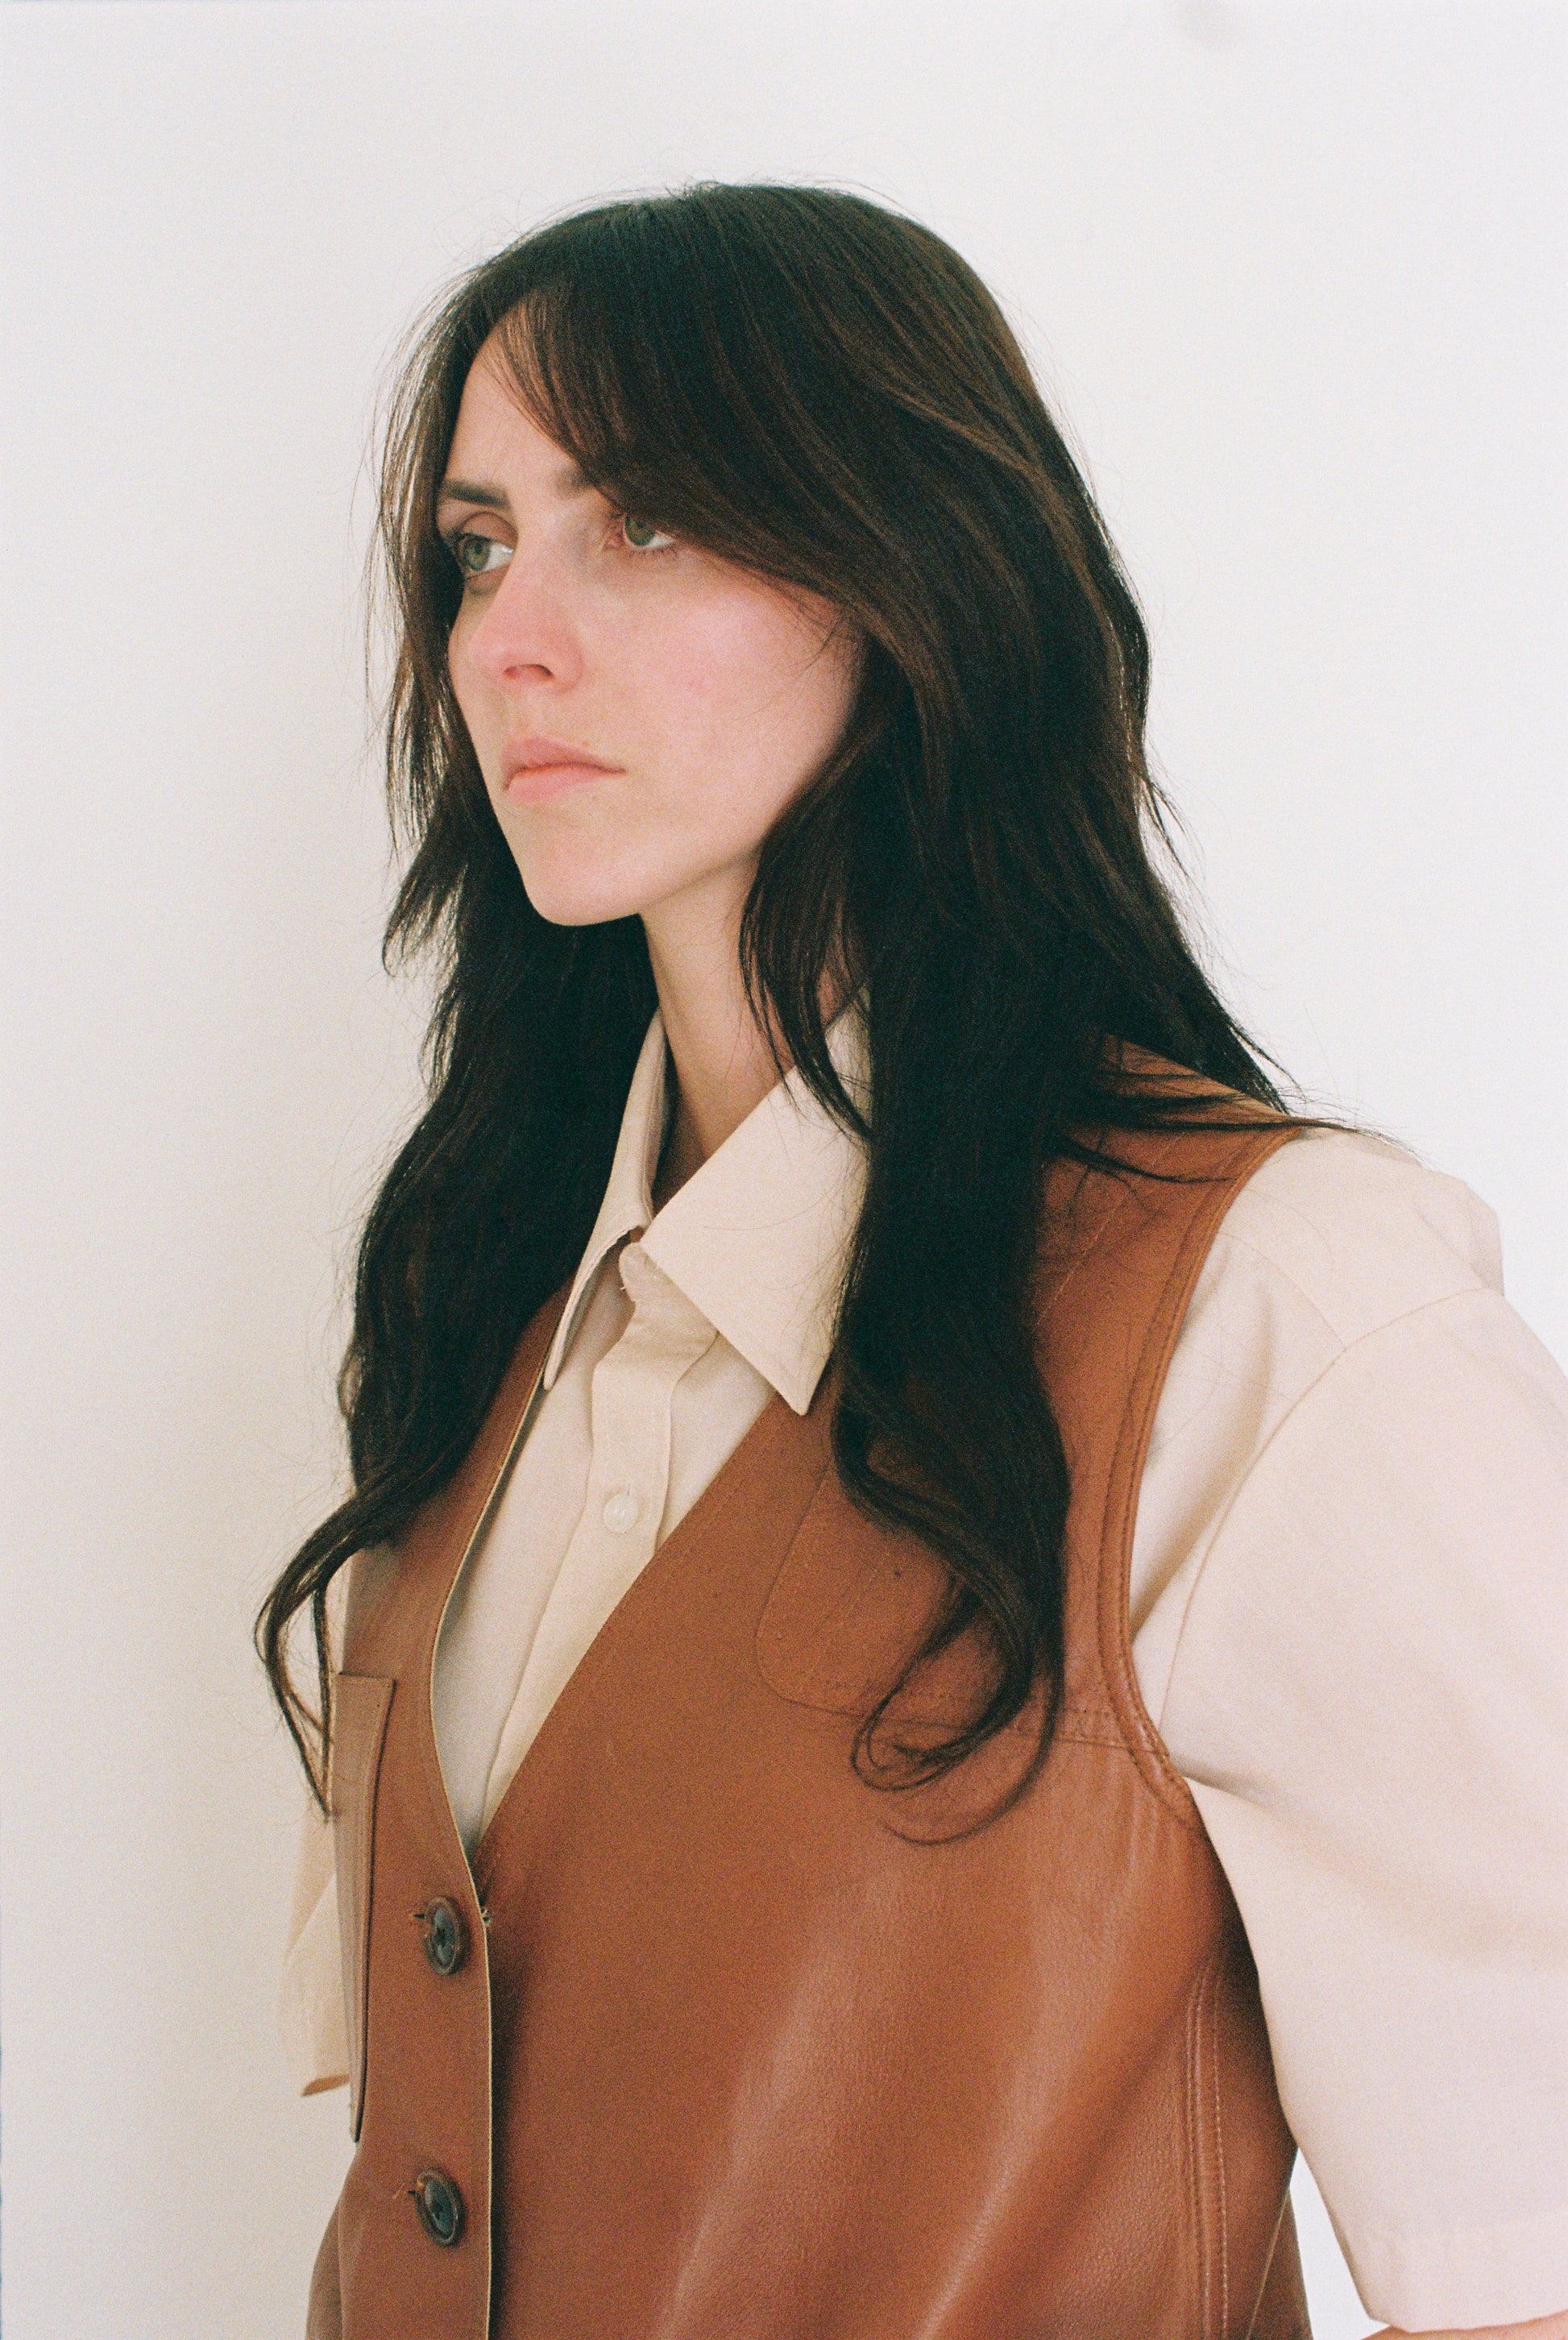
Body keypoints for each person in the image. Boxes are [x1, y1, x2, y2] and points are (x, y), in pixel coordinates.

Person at [259, 183, 1566, 2340]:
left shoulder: (1277, 1308)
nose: (506, 638)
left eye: (646, 522)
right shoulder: (482, 1306)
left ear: (913, 577)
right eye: (480, 545)